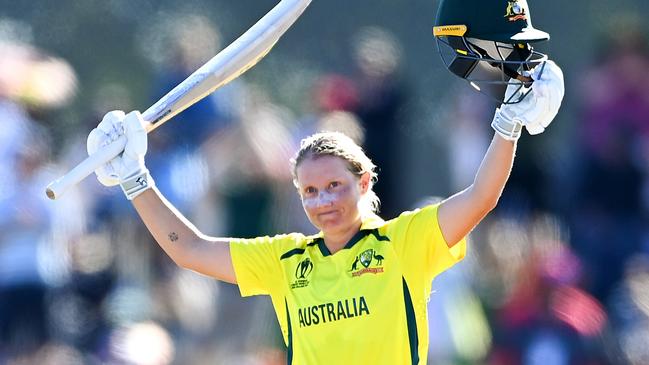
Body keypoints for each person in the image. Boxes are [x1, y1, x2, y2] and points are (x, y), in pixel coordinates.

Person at [84, 0, 564, 363]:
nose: (324, 201)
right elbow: (188, 249)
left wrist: (508, 126)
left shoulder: (403, 243)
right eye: (310, 191)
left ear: (365, 182)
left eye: (335, 186)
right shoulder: (286, 260)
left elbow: (481, 197)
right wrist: (134, 177)